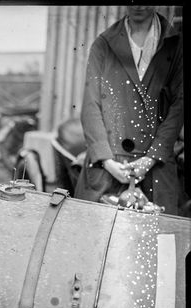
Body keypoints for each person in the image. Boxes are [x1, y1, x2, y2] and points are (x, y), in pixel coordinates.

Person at [74, 6, 183, 215]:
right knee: (96, 237)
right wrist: (107, 161)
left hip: (155, 168)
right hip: (109, 167)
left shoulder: (176, 45)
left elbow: (179, 106)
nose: (138, 5)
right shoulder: (103, 44)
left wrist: (150, 159)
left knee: (159, 242)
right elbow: (90, 106)